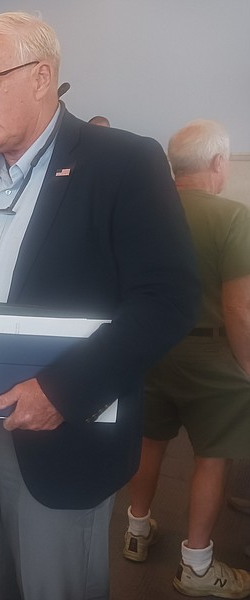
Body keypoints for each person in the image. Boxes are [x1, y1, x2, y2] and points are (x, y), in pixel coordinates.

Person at [0, 12, 199, 600]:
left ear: (42, 76)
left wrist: (64, 391)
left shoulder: (122, 162)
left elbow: (169, 299)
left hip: (60, 431)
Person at [124, 120, 250, 598]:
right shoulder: (234, 217)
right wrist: (247, 367)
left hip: (151, 348)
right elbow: (239, 308)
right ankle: (197, 567)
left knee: (149, 443)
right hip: (212, 357)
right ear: (218, 163)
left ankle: (137, 530)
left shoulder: (143, 214)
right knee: (211, 460)